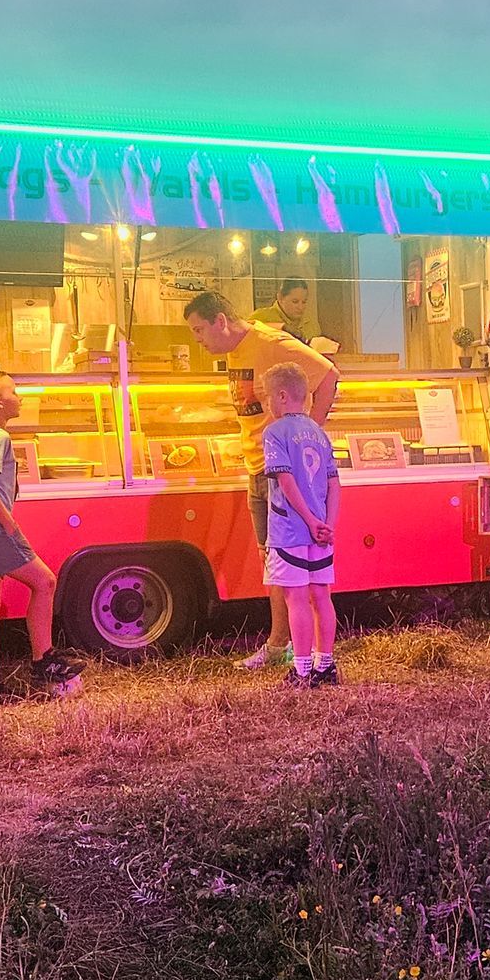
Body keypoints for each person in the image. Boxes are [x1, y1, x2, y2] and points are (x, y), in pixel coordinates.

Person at [183, 290, 339, 669]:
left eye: (200, 330)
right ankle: (283, 645)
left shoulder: (270, 342)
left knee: (284, 561)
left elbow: (329, 376)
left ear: (221, 320)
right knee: (272, 559)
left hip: (281, 473)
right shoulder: (235, 353)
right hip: (258, 468)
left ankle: (283, 647)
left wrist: (305, 430)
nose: (199, 341)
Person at [0, 372, 83, 702]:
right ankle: (44, 661)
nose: (20, 396)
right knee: (45, 582)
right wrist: (8, 523)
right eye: (14, 391)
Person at [259, 361, 340, 686]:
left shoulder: (275, 432)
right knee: (322, 596)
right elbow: (335, 484)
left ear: (281, 396)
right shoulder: (319, 433)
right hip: (321, 531)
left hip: (290, 529)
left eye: (267, 398)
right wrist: (326, 524)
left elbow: (286, 480)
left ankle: (303, 670)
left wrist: (307, 519)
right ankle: (326, 665)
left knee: (296, 598)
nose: (266, 405)